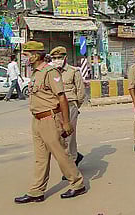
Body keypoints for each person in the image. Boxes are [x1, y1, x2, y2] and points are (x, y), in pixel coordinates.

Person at [14, 41, 86, 203]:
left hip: (50, 118)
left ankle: (77, 184)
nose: (24, 58)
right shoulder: (35, 73)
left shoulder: (49, 71)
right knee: (40, 158)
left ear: (35, 55)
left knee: (60, 154)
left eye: (26, 55)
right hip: (37, 119)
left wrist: (66, 122)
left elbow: (62, 97)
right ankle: (36, 191)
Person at [49, 46, 85, 171]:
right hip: (56, 107)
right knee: (58, 137)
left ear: (65, 58)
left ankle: (72, 163)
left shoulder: (73, 71)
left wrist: (76, 106)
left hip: (70, 105)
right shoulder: (50, 72)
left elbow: (81, 91)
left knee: (69, 136)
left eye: (59, 57)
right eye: (54, 58)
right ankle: (76, 156)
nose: (57, 60)